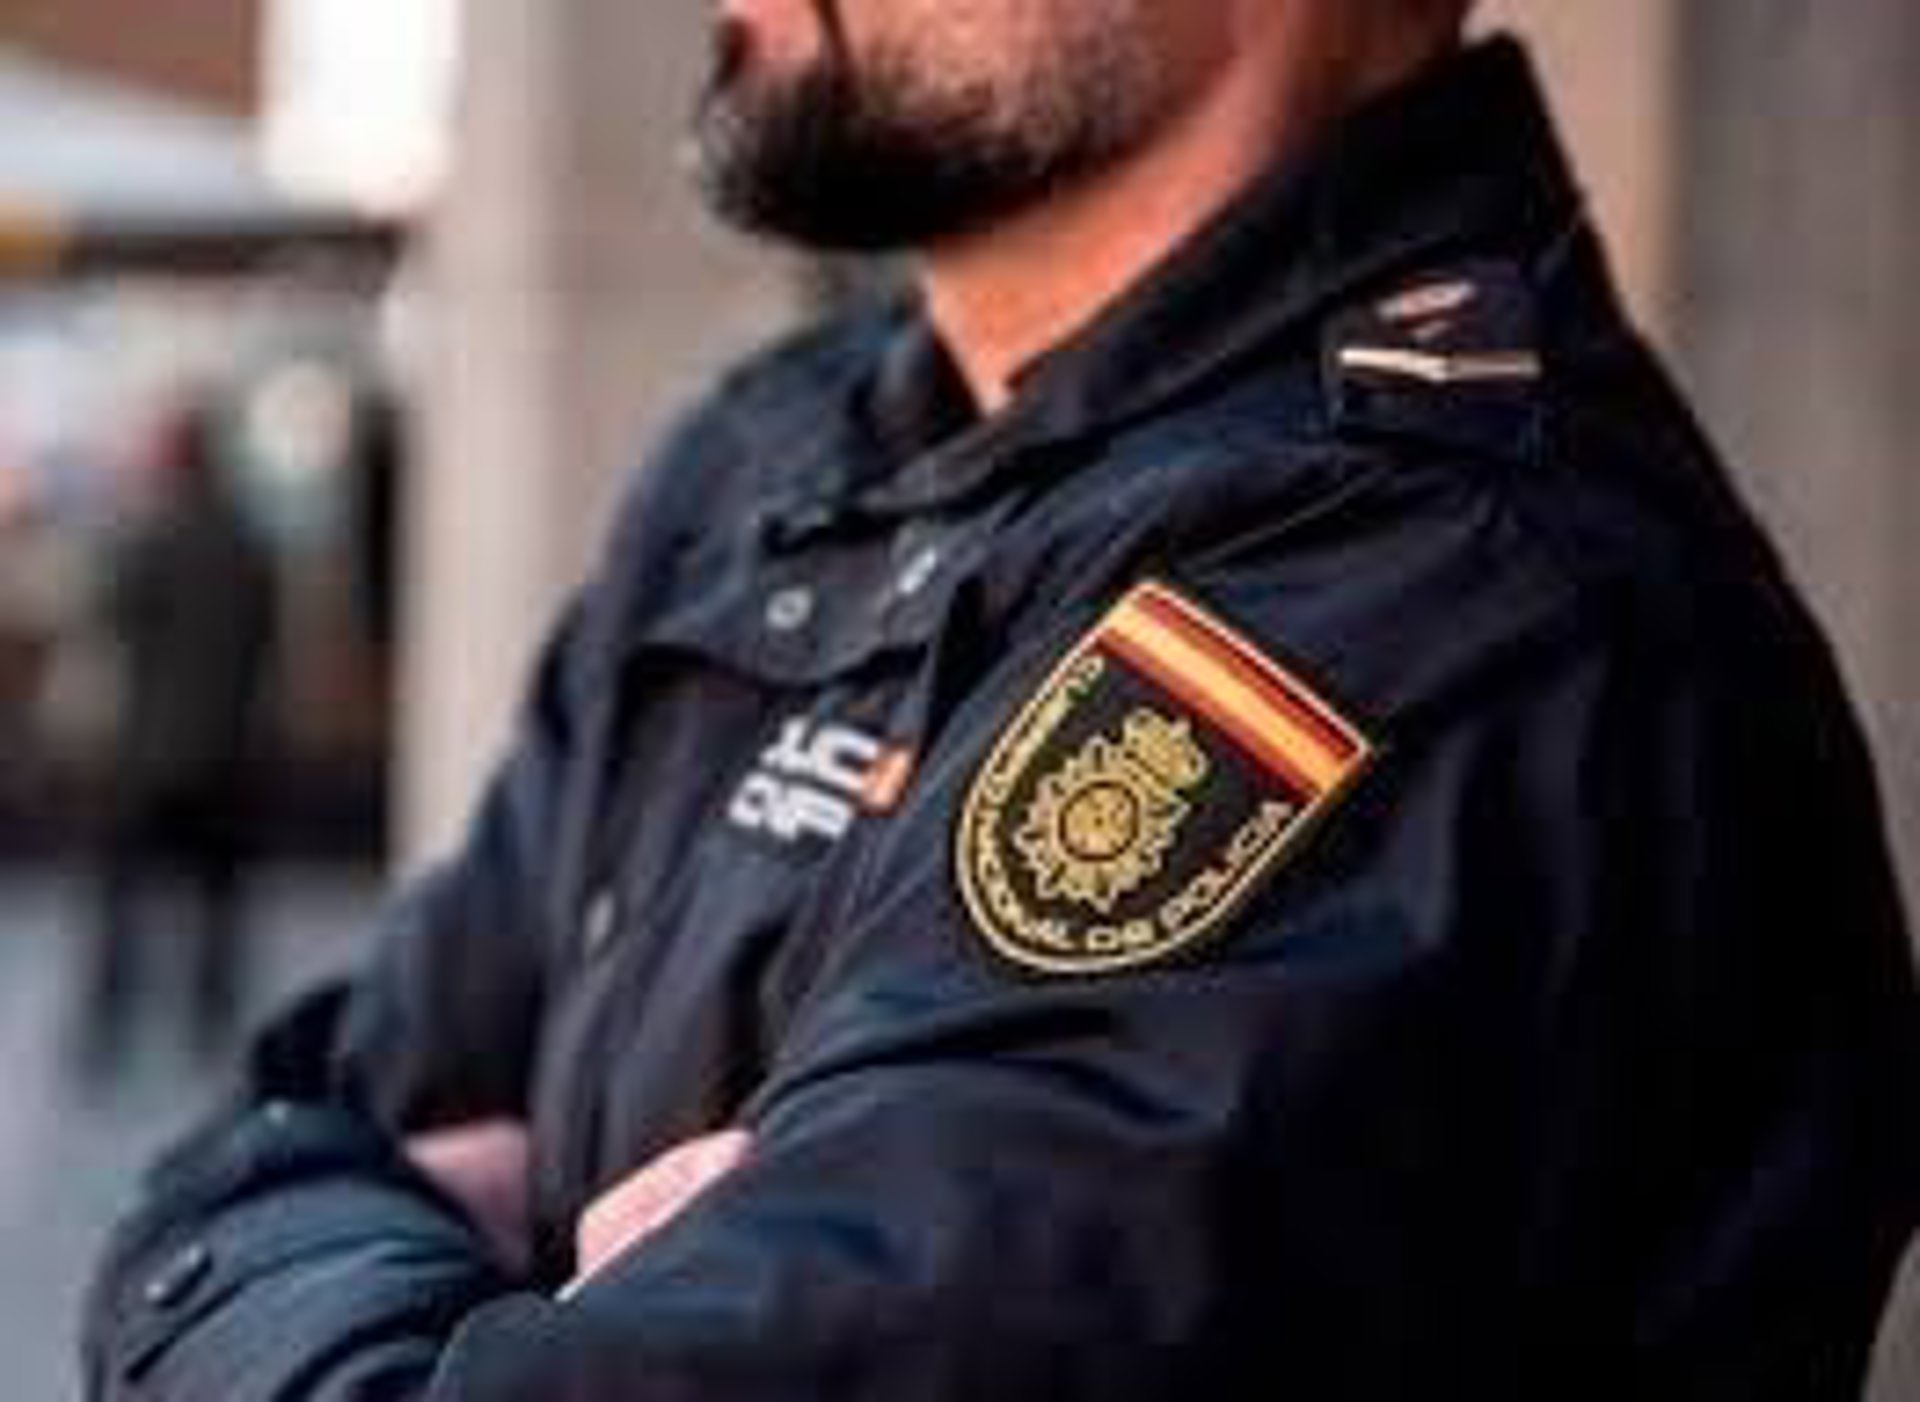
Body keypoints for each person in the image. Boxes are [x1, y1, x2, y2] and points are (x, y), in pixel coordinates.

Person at [82, 2, 1918, 1398]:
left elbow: (273, 1198)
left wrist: (373, 1241)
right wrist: (361, 1253)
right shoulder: (772, 462)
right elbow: (274, 1126)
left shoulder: (1439, 611)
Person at [77, 396, 277, 1075]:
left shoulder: (149, 541)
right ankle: (210, 1023)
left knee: (121, 901)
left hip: (149, 754)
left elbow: (105, 622)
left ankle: (109, 1024)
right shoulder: (246, 543)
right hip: (226, 750)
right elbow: (265, 645)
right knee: (218, 903)